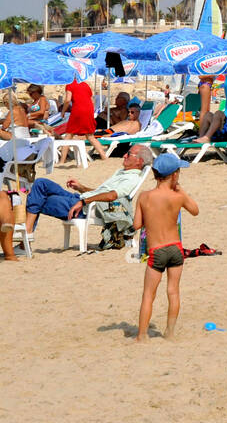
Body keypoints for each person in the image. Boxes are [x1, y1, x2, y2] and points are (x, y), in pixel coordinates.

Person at [23, 143, 152, 245]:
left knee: (38, 199)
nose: (124, 155)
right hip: (81, 200)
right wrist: (81, 187)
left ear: (139, 162)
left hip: (85, 208)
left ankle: (25, 238)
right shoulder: (122, 173)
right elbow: (101, 193)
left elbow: (112, 196)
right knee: (40, 183)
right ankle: (27, 235)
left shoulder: (131, 179)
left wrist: (83, 202)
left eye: (129, 154)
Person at [134, 153, 199, 341]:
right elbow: (195, 210)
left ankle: (142, 335)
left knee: (148, 294)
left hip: (156, 250)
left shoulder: (145, 197)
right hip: (176, 248)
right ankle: (170, 332)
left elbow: (137, 224)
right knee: (173, 291)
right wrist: (182, 191)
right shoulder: (177, 197)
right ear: (175, 175)